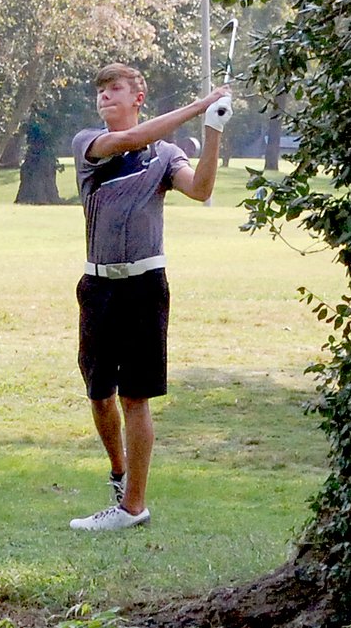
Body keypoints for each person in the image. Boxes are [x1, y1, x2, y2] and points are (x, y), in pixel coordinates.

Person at [69, 63, 232, 531]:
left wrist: (213, 128)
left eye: (114, 89)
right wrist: (199, 104)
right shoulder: (89, 143)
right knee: (100, 396)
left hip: (144, 284)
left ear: (138, 96)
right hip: (98, 284)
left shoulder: (165, 155)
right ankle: (120, 474)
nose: (104, 97)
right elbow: (125, 142)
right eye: (100, 90)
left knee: (135, 398)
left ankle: (133, 507)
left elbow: (200, 190)